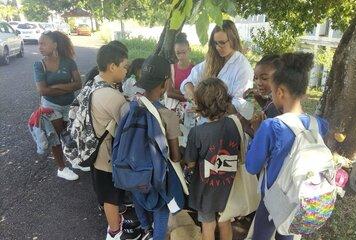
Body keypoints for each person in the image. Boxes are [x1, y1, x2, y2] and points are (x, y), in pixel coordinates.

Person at [245, 52, 328, 240]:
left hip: (276, 197)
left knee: (261, 236)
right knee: (287, 235)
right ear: (305, 92)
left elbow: (252, 166)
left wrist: (257, 132)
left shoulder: (270, 126)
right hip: (303, 196)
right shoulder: (319, 124)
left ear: (280, 92)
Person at [90, 44, 140, 240]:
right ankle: (114, 232)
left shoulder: (96, 83)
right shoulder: (111, 96)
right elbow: (130, 123)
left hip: (95, 150)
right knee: (110, 196)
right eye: (124, 66)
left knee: (106, 192)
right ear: (112, 66)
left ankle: (115, 225)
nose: (126, 70)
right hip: (106, 156)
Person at [184, 78, 242, 240]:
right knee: (225, 221)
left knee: (208, 225)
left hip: (205, 189)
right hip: (228, 186)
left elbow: (191, 162)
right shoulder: (234, 124)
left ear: (199, 106)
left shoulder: (197, 132)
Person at [132, 55, 182, 240]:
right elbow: (175, 156)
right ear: (165, 83)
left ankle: (145, 228)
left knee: (137, 196)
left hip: (134, 170)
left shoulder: (130, 106)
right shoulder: (168, 115)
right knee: (161, 209)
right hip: (157, 177)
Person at [180, 20, 253, 120]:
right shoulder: (212, 60)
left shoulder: (242, 67)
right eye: (215, 43)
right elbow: (188, 81)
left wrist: (208, 110)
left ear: (233, 40)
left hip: (226, 125)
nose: (218, 47)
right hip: (206, 122)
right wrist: (192, 94)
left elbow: (239, 104)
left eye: (222, 43)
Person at [34, 31, 82, 180]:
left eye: (44, 43)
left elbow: (78, 84)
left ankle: (74, 160)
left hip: (70, 104)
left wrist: (54, 87)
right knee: (56, 137)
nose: (40, 46)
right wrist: (67, 85)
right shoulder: (39, 65)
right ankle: (61, 168)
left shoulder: (69, 62)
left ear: (54, 45)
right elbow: (42, 90)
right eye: (39, 43)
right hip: (51, 106)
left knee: (71, 135)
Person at [247, 54, 282, 131]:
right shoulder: (274, 101)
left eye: (264, 78)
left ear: (279, 78)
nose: (258, 83)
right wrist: (259, 99)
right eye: (255, 78)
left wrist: (257, 128)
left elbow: (270, 140)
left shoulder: (275, 108)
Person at [166, 32, 193, 103]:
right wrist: (188, 96)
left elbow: (196, 92)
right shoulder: (171, 68)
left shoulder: (195, 69)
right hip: (174, 108)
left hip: (190, 108)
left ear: (189, 49)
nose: (181, 56)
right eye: (178, 53)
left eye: (184, 52)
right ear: (174, 52)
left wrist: (175, 91)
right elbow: (169, 93)